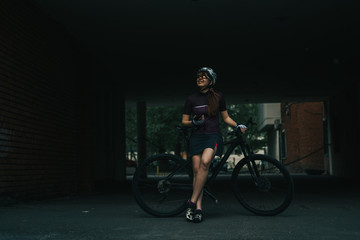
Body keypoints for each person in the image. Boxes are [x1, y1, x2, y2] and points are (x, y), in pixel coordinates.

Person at [182, 67, 247, 223]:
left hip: (213, 136)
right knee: (197, 172)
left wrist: (237, 125)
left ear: (211, 80)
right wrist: (194, 122)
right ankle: (197, 210)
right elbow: (184, 122)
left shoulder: (218, 97)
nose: (200, 78)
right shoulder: (191, 99)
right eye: (198, 76)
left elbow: (226, 118)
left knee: (205, 163)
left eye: (204, 76)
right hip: (197, 137)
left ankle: (191, 201)